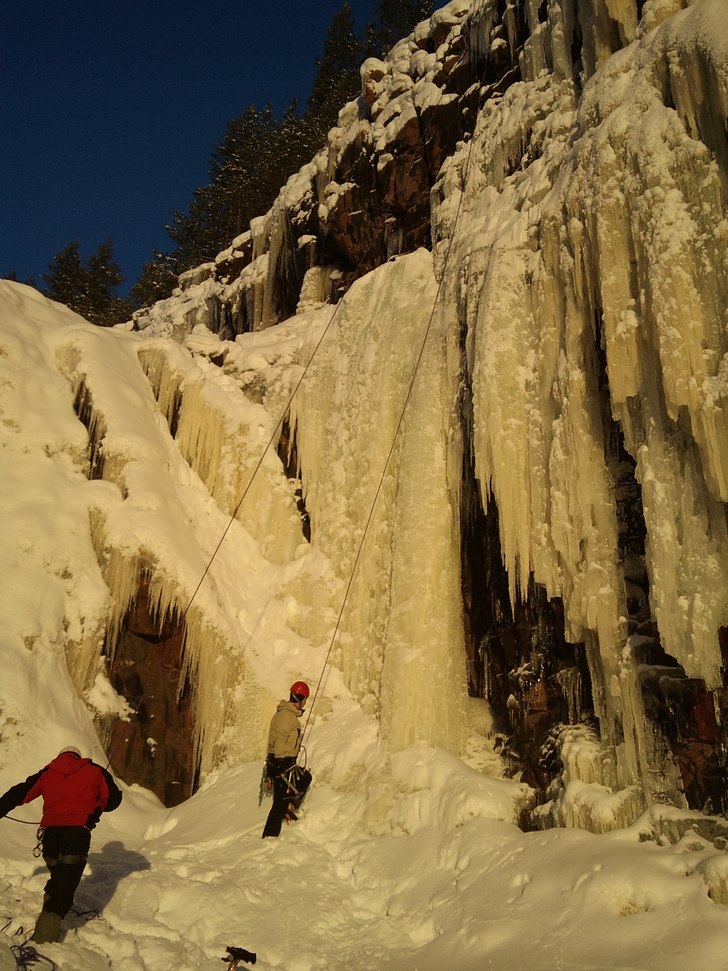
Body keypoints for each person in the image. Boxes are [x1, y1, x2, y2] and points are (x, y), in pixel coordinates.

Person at [0, 746, 122, 944]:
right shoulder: (95, 771)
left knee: (58, 875)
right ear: (77, 757)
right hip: (76, 834)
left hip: (50, 836)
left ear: (60, 757)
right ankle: (44, 937)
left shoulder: (49, 772)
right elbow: (114, 800)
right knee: (66, 883)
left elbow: (20, 792)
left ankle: (49, 909)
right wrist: (95, 808)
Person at [262, 681, 310, 838]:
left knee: (282, 798)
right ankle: (269, 836)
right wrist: (280, 763)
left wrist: (272, 766)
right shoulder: (287, 716)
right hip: (283, 763)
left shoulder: (282, 714)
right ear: (301, 699)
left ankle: (287, 809)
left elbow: (273, 743)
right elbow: (280, 741)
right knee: (279, 802)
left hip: (279, 762)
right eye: (305, 700)